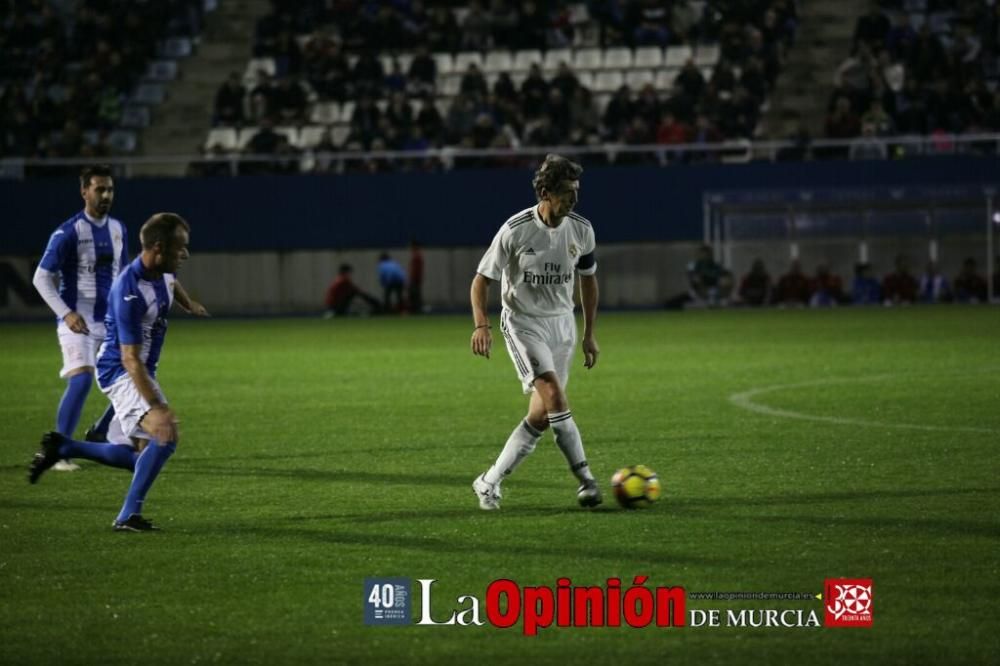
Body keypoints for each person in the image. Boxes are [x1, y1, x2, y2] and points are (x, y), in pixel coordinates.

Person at [29, 213, 192, 532]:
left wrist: (191, 304)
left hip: (140, 370)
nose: (185, 254)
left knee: (138, 455)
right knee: (165, 435)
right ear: (158, 248)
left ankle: (65, 447)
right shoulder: (129, 290)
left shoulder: (163, 273)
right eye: (180, 248)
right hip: (121, 371)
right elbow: (129, 358)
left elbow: (174, 284)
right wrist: (157, 408)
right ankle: (127, 516)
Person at [470, 153, 601, 510]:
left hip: (562, 326)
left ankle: (488, 481)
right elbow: (481, 281)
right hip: (523, 324)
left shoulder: (582, 230)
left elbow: (588, 282)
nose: (573, 199)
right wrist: (482, 325)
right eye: (565, 192)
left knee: (542, 416)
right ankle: (586, 480)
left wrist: (589, 334)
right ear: (545, 192)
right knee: (555, 396)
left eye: (576, 191)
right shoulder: (516, 229)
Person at [408, 240, 424, 314]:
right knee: (415, 294)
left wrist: (412, 278)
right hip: (416, 279)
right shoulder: (417, 255)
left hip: (415, 279)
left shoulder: (417, 256)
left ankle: (416, 310)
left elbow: (415, 269)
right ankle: (416, 310)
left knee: (415, 295)